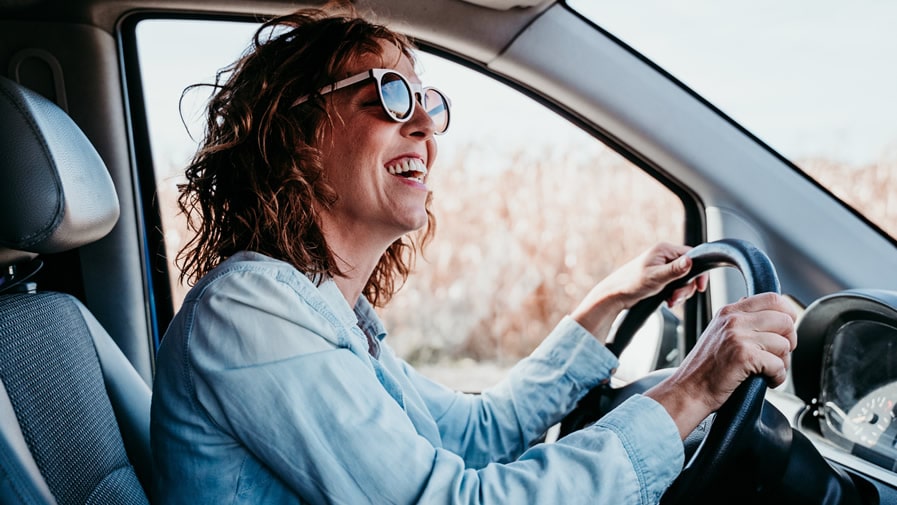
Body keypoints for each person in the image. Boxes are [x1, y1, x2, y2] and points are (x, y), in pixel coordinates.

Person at [150, 7, 798, 505]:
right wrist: (692, 387)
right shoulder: (248, 312)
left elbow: (478, 432)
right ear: (292, 132)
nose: (425, 126)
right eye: (387, 93)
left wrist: (608, 300)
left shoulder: (334, 317)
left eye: (427, 102)